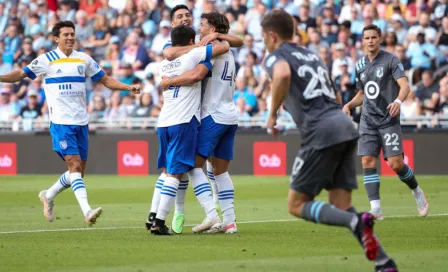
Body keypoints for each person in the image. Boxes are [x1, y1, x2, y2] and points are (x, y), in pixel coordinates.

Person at [261, 10, 398, 271]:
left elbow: (281, 75)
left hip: (320, 131)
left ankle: (357, 222)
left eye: (263, 37)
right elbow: (335, 96)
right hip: (344, 125)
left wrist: (272, 114)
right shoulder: (312, 55)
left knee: (296, 204)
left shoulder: (277, 55)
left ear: (271, 35)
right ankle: (384, 261)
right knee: (341, 206)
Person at [0, 21, 140, 226]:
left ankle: (48, 195)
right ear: (56, 38)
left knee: (78, 172)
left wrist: (128, 88)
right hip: (61, 123)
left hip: (81, 122)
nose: (70, 37)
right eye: (65, 34)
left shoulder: (83, 59)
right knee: (74, 165)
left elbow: (105, 80)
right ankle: (87, 211)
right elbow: (20, 75)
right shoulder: (46, 60)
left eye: (72, 34)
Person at [145, 4, 243, 234]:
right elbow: (233, 42)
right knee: (218, 170)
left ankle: (209, 215)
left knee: (189, 167)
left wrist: (170, 80)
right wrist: (211, 38)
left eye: (202, 24)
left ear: (214, 30)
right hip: (229, 114)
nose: (197, 27)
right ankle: (229, 221)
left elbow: (193, 70)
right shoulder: (222, 50)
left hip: (209, 115)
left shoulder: (204, 49)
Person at [343, 25, 429, 220]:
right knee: (367, 160)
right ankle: (376, 209)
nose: (371, 41)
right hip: (367, 120)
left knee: (396, 165)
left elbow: (405, 86)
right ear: (363, 41)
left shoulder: (391, 60)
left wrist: (398, 101)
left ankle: (417, 191)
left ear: (380, 39)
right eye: (367, 38)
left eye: (374, 37)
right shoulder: (359, 65)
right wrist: (349, 104)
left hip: (388, 120)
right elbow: (363, 94)